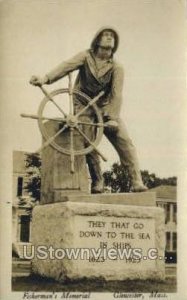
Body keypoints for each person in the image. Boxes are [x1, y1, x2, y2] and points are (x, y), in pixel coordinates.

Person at [30, 27, 147, 193]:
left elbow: (117, 94)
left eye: (112, 36)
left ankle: (137, 181)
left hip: (106, 106)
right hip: (83, 104)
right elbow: (66, 66)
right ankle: (98, 182)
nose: (109, 38)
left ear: (115, 44)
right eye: (105, 35)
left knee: (125, 141)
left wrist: (112, 117)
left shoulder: (117, 68)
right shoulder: (85, 56)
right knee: (89, 143)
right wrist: (45, 79)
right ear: (97, 40)